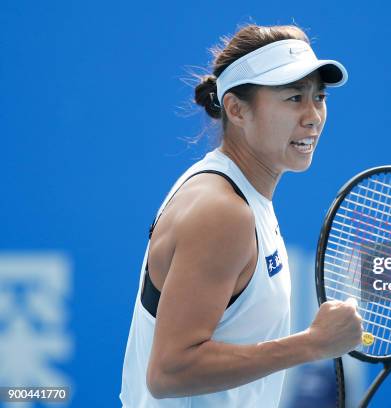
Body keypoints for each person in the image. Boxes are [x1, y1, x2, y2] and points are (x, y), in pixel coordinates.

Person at [119, 24, 363, 408]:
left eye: (319, 96)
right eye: (294, 97)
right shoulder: (223, 212)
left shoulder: (240, 196)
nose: (313, 115)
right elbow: (169, 372)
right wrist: (311, 344)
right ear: (236, 109)